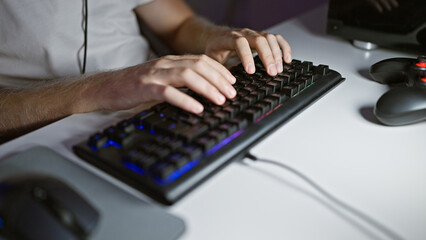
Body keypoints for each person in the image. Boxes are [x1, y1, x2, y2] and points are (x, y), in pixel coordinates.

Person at [0, 0, 291, 143]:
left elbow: (179, 25)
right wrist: (99, 88)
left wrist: (214, 36)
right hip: (44, 132)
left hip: (158, 101)